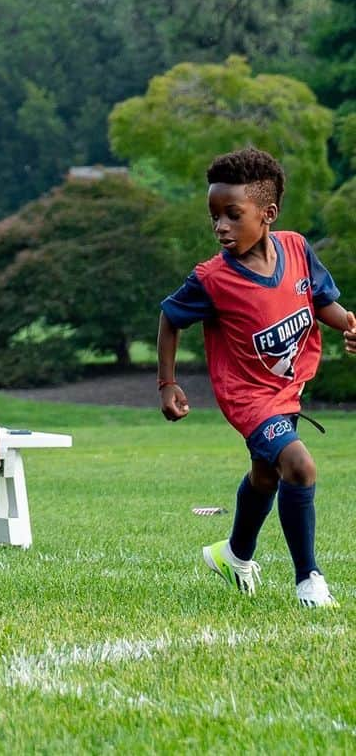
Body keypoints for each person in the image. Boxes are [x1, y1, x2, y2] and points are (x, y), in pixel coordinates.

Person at [158, 146, 356, 608]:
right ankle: (309, 578)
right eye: (214, 218)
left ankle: (233, 554)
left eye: (232, 215)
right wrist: (166, 383)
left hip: (287, 391)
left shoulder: (297, 249)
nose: (221, 227)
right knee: (299, 467)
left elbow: (321, 301)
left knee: (266, 477)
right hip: (247, 398)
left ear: (268, 213)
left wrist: (348, 323)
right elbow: (169, 317)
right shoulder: (211, 278)